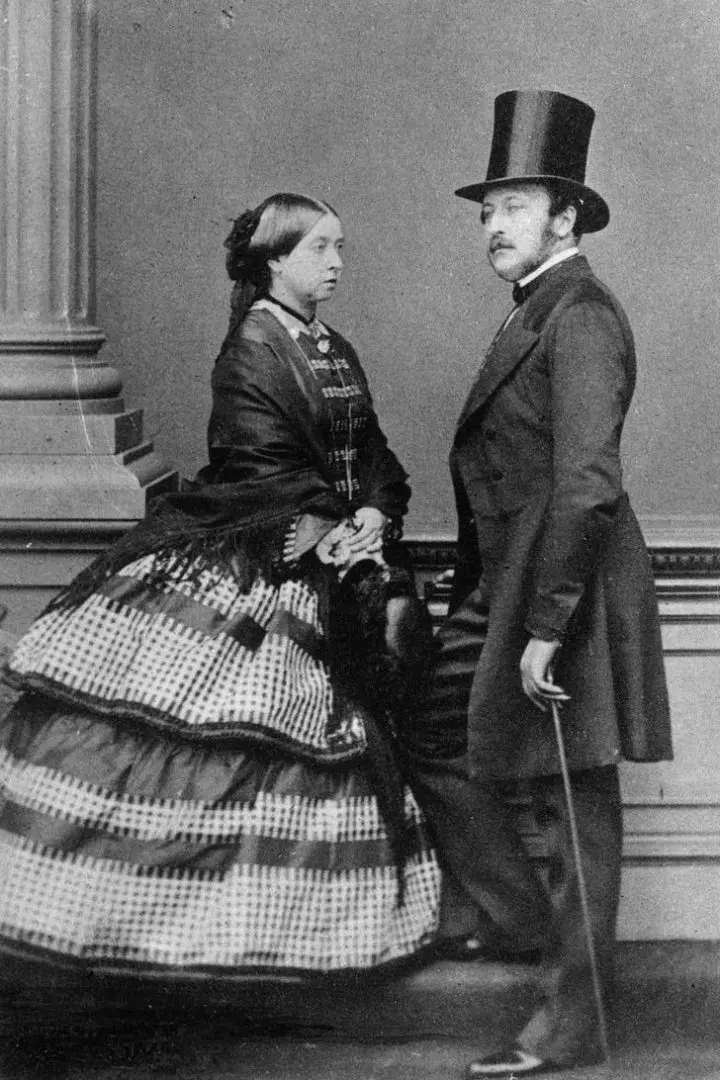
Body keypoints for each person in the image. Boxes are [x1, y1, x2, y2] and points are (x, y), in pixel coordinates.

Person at [0, 192, 442, 983]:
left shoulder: (333, 346)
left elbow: (374, 451)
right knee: (235, 728)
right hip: (274, 554)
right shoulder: (251, 350)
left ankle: (309, 922)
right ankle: (190, 925)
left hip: (343, 544)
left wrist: (376, 509)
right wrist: (336, 534)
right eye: (320, 248)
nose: (337, 263)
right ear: (275, 260)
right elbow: (261, 469)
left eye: (340, 246)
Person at [399, 91, 672, 1076]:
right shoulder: (540, 310)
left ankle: (571, 1022)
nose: (492, 228)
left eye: (512, 207)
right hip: (511, 580)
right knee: (434, 727)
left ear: (567, 214)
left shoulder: (582, 315)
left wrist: (548, 623)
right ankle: (524, 925)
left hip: (565, 579)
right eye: (486, 212)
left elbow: (588, 484)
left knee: (570, 794)